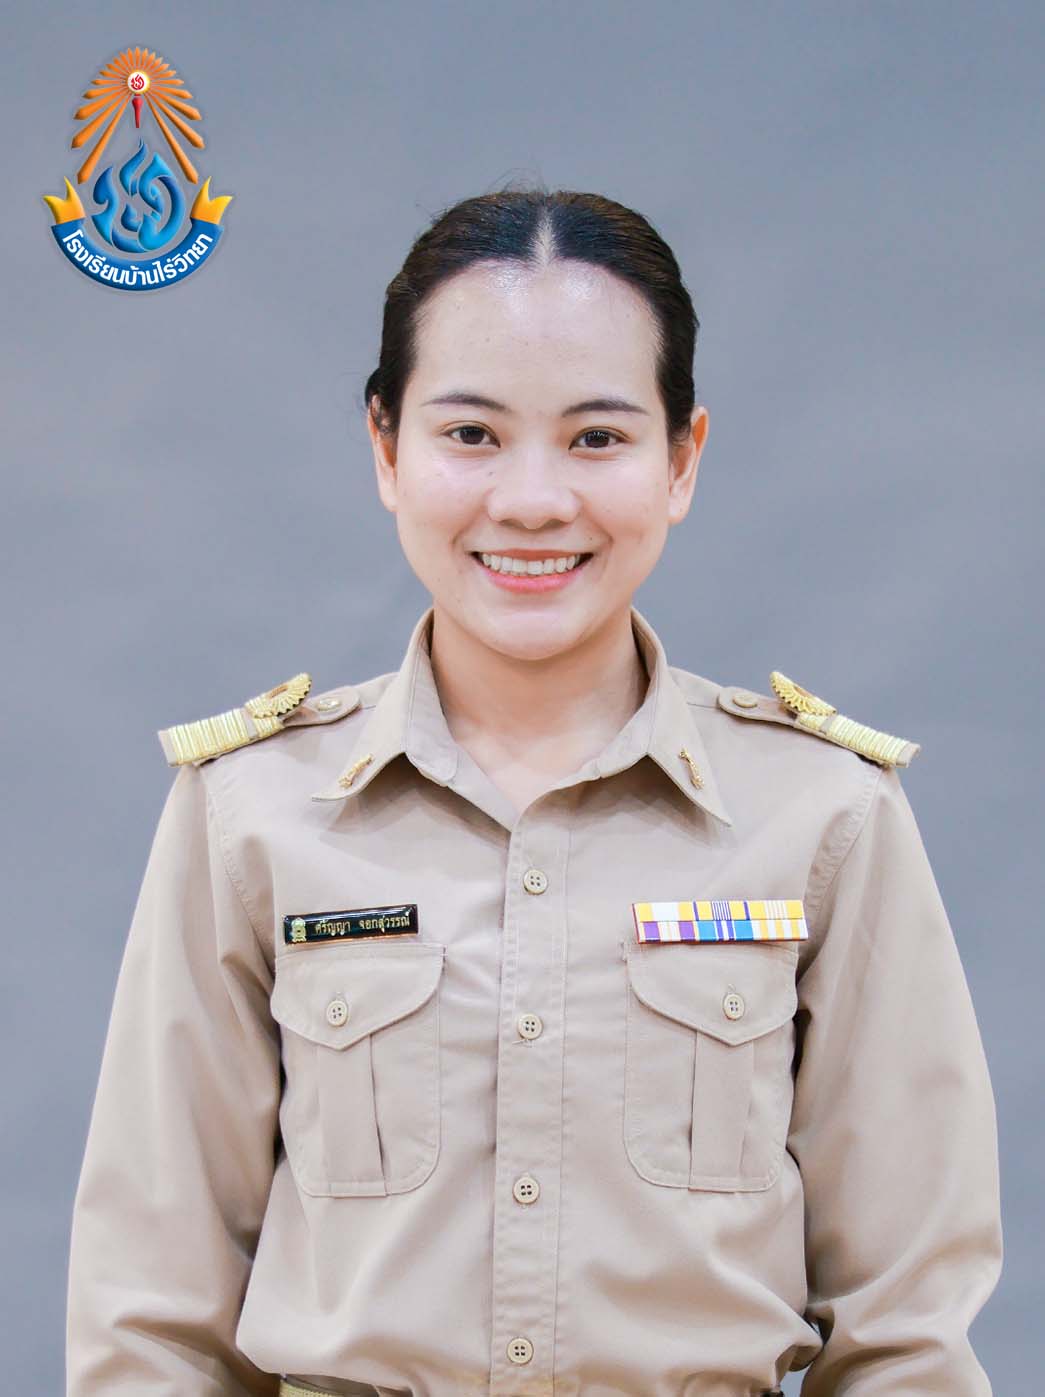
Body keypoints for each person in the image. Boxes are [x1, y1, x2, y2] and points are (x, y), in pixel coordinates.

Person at [65, 187, 1002, 1397]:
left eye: (597, 438)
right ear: (384, 447)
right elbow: (150, 1322)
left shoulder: (824, 813)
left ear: (682, 459)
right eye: (471, 433)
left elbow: (907, 1332)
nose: (531, 499)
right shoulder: (251, 810)